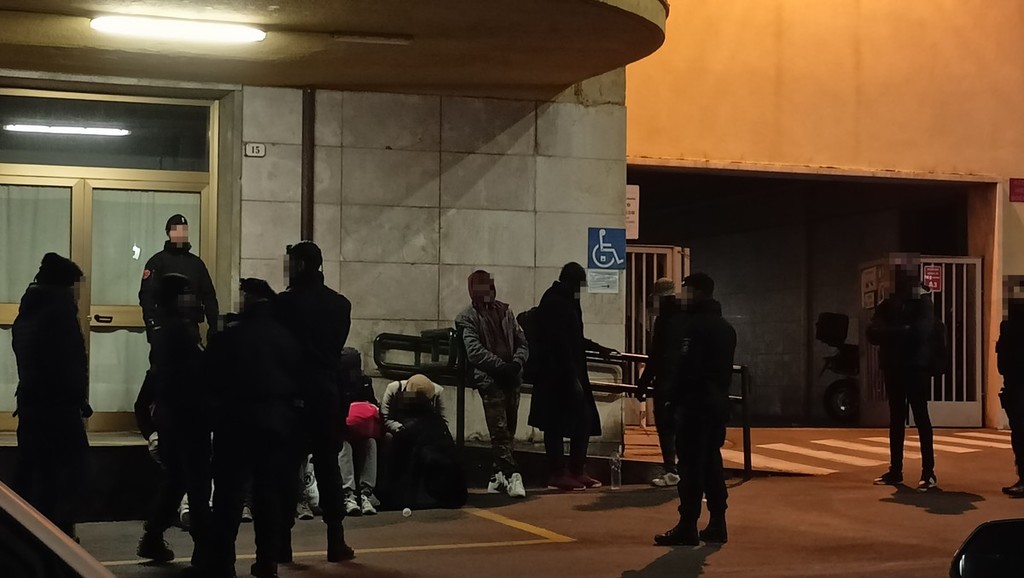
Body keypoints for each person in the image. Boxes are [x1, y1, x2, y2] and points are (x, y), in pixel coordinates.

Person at [206, 278, 304, 578]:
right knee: (267, 495)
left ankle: (224, 563)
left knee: (229, 496)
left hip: (235, 423)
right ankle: (267, 562)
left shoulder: (230, 335)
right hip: (275, 425)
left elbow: (210, 377)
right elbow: (298, 382)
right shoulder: (286, 337)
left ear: (248, 299)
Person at [137, 213, 219, 530]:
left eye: (185, 228)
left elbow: (209, 296)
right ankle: (172, 534)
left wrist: (214, 330)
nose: (181, 233)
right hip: (179, 421)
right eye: (176, 229)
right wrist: (153, 328)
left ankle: (159, 534)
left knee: (182, 480)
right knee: (185, 479)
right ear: (168, 232)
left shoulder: (196, 265)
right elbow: (146, 297)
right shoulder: (157, 262)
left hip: (183, 420)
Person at [275, 241, 354, 563]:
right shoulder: (340, 305)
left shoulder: (283, 304)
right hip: (325, 393)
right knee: (328, 466)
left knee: (287, 468)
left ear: (301, 265)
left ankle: (282, 543)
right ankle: (336, 540)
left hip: (292, 394)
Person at [11, 253, 92, 540]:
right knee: (72, 470)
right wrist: (79, 398)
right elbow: (68, 360)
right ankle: (57, 534)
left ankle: (29, 534)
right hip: (58, 406)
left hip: (30, 402)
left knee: (37, 471)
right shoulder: (59, 312)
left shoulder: (29, 310)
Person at [136, 273, 213, 573]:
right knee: (197, 483)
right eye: (188, 293)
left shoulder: (165, 330)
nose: (193, 300)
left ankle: (153, 536)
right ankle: (203, 551)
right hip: (188, 418)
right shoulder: (181, 332)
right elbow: (195, 374)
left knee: (176, 481)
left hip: (171, 418)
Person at [655, 273, 736, 546]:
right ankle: (718, 522)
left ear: (699, 292)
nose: (683, 296)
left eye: (687, 291)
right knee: (712, 463)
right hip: (717, 404)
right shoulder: (725, 328)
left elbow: (687, 368)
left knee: (690, 466)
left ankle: (688, 525)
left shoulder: (696, 327)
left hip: (695, 406)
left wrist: (672, 401)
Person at [528, 262, 616, 491]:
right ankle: (558, 472)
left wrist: (597, 348)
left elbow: (573, 337)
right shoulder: (556, 302)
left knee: (580, 421)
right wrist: (572, 377)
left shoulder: (566, 301)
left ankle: (575, 469)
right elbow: (559, 343)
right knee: (556, 424)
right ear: (572, 282)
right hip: (557, 375)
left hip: (568, 373)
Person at [866, 254, 938, 492]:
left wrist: (891, 332)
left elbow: (920, 332)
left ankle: (928, 473)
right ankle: (895, 470)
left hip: (915, 366)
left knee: (920, 417)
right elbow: (872, 332)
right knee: (896, 418)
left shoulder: (922, 300)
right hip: (895, 366)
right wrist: (902, 330)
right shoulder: (889, 302)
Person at [455, 270, 529, 498]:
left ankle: (497, 476)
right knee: (499, 431)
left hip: (511, 378)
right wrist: (501, 366)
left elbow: (522, 341)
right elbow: (475, 352)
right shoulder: (467, 317)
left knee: (509, 429)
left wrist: (516, 363)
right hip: (490, 380)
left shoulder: (506, 311)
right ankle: (512, 474)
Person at [382, 375, 467, 510]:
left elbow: (441, 419)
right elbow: (385, 418)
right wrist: (402, 429)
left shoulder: (437, 392)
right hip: (400, 428)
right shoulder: (394, 388)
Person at [637, 278, 686, 488]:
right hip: (686, 381)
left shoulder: (665, 320)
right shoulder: (686, 315)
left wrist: (643, 383)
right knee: (681, 426)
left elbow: (656, 355)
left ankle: (671, 471)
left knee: (666, 427)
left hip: (667, 381)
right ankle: (684, 469)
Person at [338, 347, 381, 517]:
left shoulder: (364, 382)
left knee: (370, 442)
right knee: (344, 444)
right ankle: (348, 494)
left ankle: (365, 494)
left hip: (360, 429)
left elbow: (373, 403)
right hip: (342, 429)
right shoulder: (336, 381)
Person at [997, 277, 1024, 498]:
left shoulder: (1010, 325)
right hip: (1014, 385)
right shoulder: (1008, 325)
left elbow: (1004, 360)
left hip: (1017, 385)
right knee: (1019, 434)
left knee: (1020, 434)